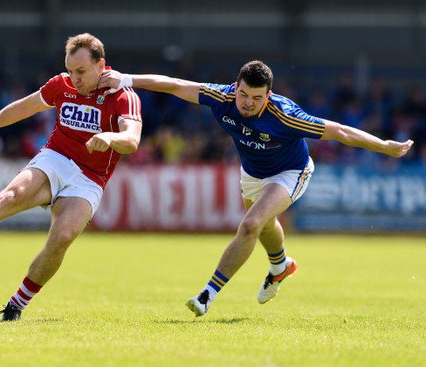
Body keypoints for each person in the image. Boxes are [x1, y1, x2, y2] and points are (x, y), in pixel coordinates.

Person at [99, 60, 414, 317]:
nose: (248, 103)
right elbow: (173, 84)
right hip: (252, 173)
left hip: (291, 172)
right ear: (236, 88)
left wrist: (384, 145)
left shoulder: (286, 117)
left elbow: (340, 131)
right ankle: (280, 265)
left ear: (269, 95)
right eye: (244, 95)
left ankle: (207, 295)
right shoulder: (221, 97)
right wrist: (126, 79)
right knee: (263, 225)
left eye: (257, 98)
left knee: (251, 224)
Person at [0, 33, 143, 321]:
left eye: (81, 71)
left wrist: (111, 137)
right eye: (70, 70)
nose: (74, 78)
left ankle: (16, 305)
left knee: (62, 237)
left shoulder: (123, 96)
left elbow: (132, 140)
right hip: (55, 159)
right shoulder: (60, 85)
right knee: (12, 196)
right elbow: (24, 107)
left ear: (101, 65)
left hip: (90, 178)